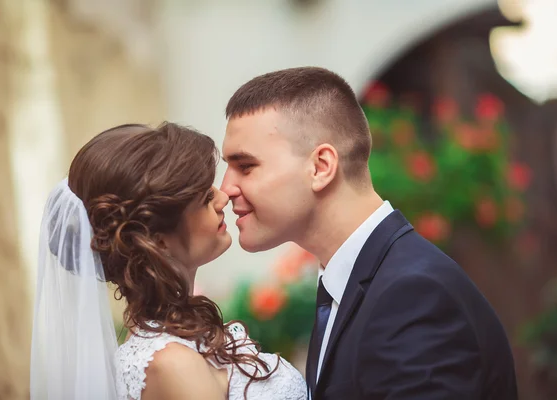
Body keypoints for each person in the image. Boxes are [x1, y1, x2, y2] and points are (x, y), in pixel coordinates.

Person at [220, 67, 518, 399]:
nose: (225, 189)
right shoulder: (354, 284)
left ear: (320, 167)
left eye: (245, 166)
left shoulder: (412, 295)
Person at [30, 122, 307, 400]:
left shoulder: (180, 339)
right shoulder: (172, 364)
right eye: (204, 198)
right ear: (157, 241)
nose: (223, 198)